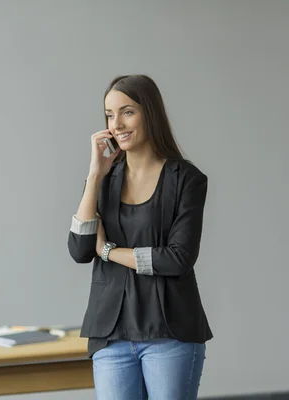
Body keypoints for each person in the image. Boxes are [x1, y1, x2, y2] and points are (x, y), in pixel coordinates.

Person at [67, 74, 213, 400]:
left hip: (169, 332)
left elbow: (177, 259)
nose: (116, 123)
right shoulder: (103, 181)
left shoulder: (186, 180)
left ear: (150, 113)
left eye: (127, 111)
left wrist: (108, 251)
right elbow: (79, 249)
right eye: (109, 114)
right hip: (110, 335)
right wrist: (94, 174)